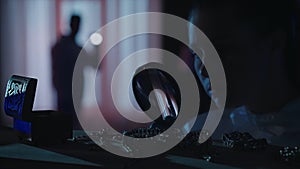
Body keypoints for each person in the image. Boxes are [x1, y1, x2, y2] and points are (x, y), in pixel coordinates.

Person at [188, 0, 300, 146]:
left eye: (221, 49)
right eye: (196, 53)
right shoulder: (197, 133)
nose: (204, 70)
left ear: (274, 43)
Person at [51, 15, 83, 129]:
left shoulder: (76, 47)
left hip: (74, 90)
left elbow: (95, 65)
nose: (77, 27)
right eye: (75, 24)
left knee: (71, 122)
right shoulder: (63, 46)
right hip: (65, 90)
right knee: (64, 122)